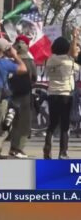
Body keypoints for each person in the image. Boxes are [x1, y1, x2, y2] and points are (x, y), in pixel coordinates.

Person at [43, 30, 80, 159]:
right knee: (64, 125)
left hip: (52, 93)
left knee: (52, 124)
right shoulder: (69, 62)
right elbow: (75, 57)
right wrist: (75, 38)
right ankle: (63, 152)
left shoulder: (50, 60)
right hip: (65, 95)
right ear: (66, 48)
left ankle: (47, 150)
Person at [8, 35, 37, 158]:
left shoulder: (11, 61)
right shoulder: (29, 62)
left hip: (13, 94)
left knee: (15, 122)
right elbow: (34, 78)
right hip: (25, 95)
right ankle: (19, 148)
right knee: (25, 122)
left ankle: (13, 147)